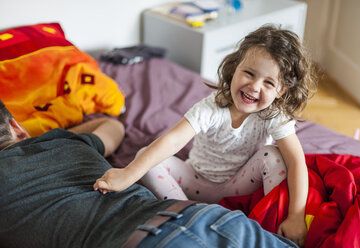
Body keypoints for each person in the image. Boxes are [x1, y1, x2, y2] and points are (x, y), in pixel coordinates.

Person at [94, 25, 317, 247]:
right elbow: (173, 140)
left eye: (269, 83)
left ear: (281, 91)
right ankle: (191, 215)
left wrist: (296, 215)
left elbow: (296, 160)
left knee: (274, 156)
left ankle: (266, 233)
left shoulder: (274, 114)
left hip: (240, 186)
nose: (254, 87)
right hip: (194, 183)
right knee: (145, 157)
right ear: (235, 66)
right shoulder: (212, 107)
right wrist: (128, 174)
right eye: (249, 73)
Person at [0, 99, 298, 248]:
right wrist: (47, 137)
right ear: (16, 127)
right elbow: (112, 126)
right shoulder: (65, 142)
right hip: (204, 217)